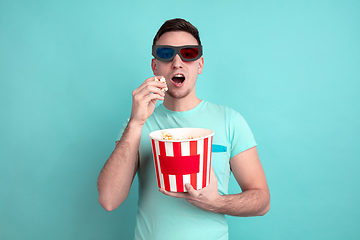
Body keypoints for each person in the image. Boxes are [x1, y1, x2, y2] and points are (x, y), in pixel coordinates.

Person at [97, 18, 270, 240]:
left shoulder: (230, 121)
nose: (177, 62)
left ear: (200, 65)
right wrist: (135, 123)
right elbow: (109, 200)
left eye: (188, 53)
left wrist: (216, 203)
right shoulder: (136, 126)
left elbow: (262, 200)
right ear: (155, 66)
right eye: (167, 54)